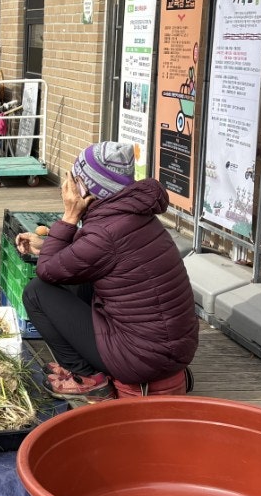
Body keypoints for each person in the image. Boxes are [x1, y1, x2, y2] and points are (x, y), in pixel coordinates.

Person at [16, 141, 199, 399]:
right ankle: (91, 369)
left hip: (141, 358)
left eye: (73, 179)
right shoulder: (135, 215)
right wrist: (48, 244)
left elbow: (47, 270)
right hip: (170, 349)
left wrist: (68, 217)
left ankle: (87, 377)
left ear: (86, 188)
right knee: (80, 278)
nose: (67, 187)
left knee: (37, 292)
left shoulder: (104, 235)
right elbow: (93, 254)